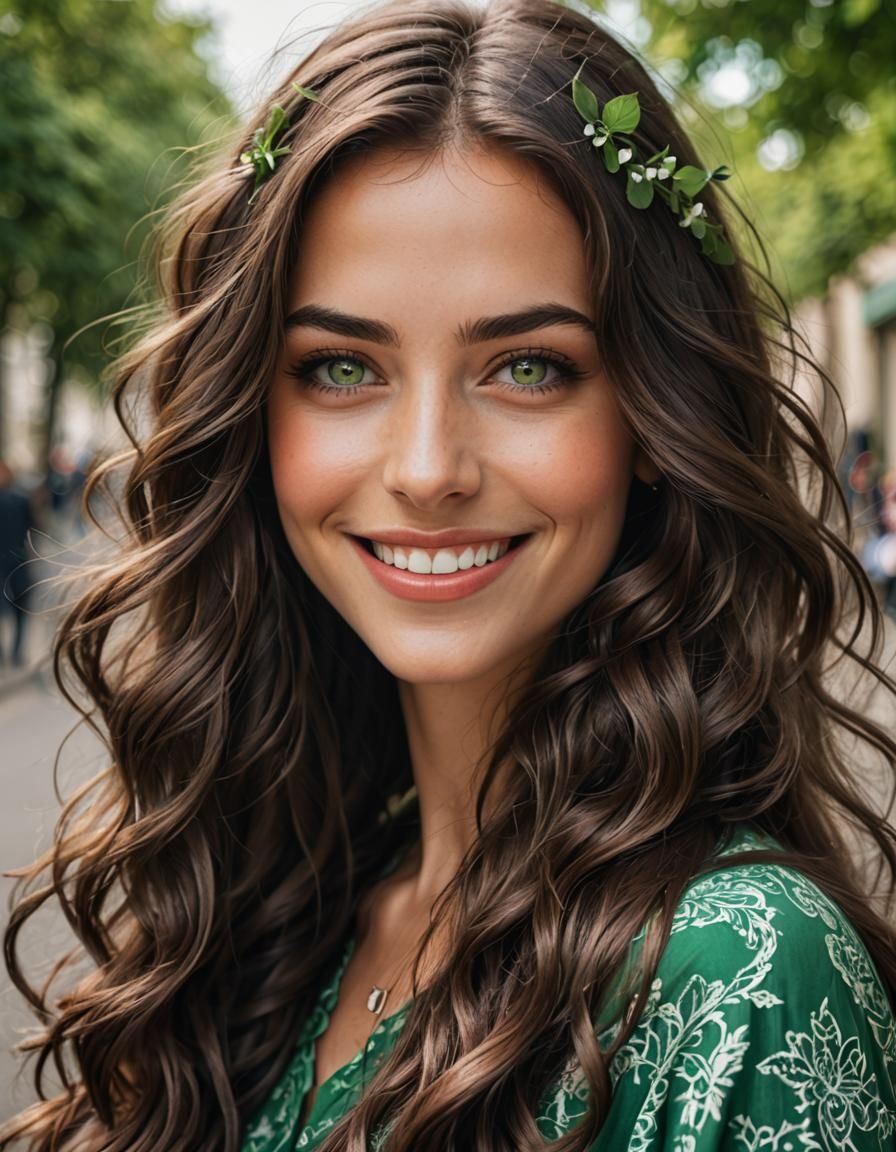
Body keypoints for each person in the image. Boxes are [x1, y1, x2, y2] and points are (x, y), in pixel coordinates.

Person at [2, 1, 895, 1149]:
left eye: (526, 366)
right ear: (248, 419)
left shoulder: (743, 971)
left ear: (656, 419)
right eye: (339, 368)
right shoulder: (288, 907)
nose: (427, 470)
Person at [0, 459, 35, 667]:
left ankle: (14, 651)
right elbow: (33, 529)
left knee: (19, 609)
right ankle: (14, 652)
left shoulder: (21, 499)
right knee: (19, 609)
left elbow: (30, 529)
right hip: (17, 561)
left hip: (16, 562)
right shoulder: (21, 499)